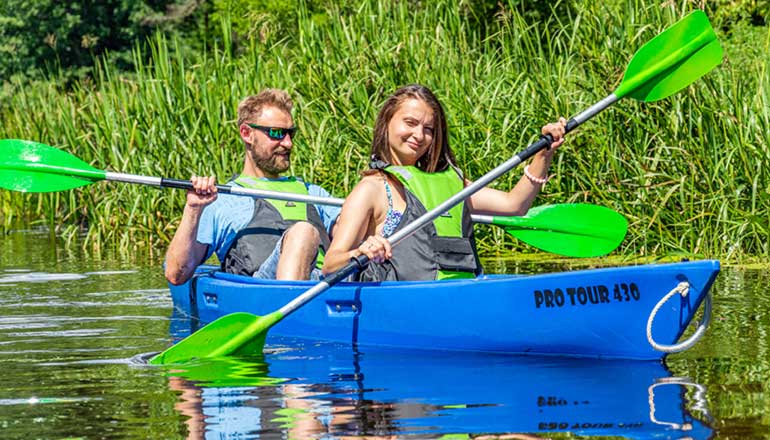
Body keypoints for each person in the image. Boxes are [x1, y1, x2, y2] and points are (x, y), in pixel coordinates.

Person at [322, 84, 566, 281]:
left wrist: (544, 153)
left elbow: (514, 205)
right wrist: (361, 252)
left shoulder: (450, 184)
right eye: (410, 123)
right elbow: (331, 264)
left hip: (460, 294)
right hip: (403, 304)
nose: (419, 135)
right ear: (387, 123)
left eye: (428, 128)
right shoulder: (371, 189)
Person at [165, 88, 340, 285]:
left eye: (291, 133)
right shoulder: (222, 200)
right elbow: (176, 273)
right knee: (303, 232)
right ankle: (290, 304)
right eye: (277, 133)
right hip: (263, 290)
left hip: (324, 284)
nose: (288, 143)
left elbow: (350, 232)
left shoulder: (314, 193)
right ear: (247, 134)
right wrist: (193, 209)